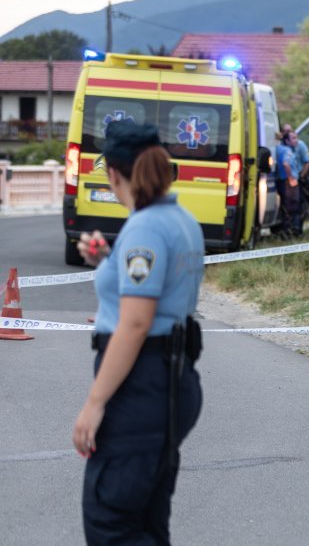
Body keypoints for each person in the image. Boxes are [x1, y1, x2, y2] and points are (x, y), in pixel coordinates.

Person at [72, 121, 204, 545]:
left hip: (142, 387)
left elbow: (135, 322)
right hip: (169, 381)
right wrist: (108, 260)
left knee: (111, 523)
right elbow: (153, 291)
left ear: (112, 174)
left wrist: (94, 404)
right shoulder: (179, 218)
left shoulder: (144, 228)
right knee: (145, 521)